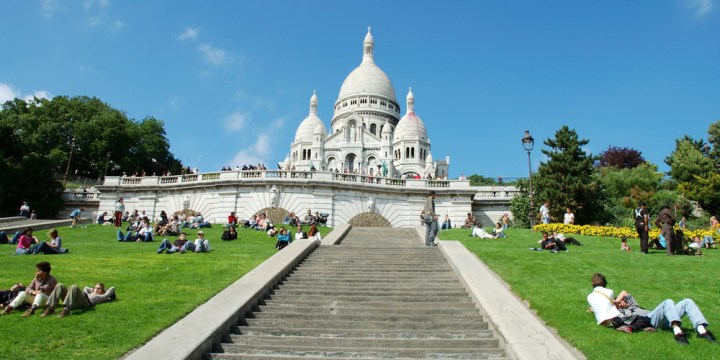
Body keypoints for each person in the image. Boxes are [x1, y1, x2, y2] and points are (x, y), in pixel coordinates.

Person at [587, 273, 715, 344]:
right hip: (650, 319)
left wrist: (618, 301)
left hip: (657, 315)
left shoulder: (630, 303)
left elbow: (625, 293)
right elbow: (604, 307)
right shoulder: (618, 313)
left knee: (688, 301)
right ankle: (678, 333)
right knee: (668, 302)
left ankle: (702, 330)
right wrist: (616, 304)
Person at [42, 282, 116, 318]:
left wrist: (104, 291)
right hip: (75, 299)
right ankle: (51, 307)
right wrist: (93, 290)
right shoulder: (90, 291)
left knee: (74, 287)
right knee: (60, 285)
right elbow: (86, 288)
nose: (96, 289)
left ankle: (66, 309)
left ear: (102, 291)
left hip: (85, 302)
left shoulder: (102, 296)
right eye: (95, 287)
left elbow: (112, 289)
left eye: (99, 288)